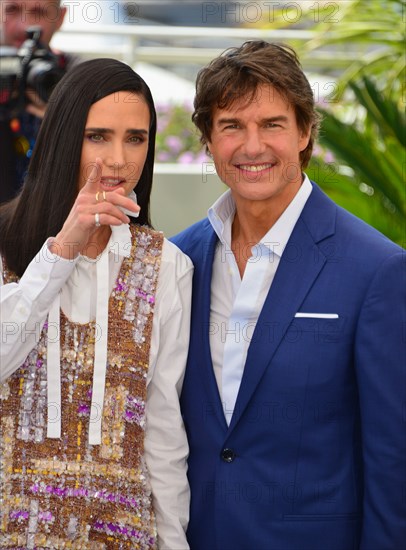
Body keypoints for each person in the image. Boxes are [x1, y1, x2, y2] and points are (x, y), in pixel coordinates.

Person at [171, 40, 406, 549]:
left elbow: (393, 459)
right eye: (232, 126)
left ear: (304, 132)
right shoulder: (177, 261)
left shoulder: (377, 270)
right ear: (208, 141)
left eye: (272, 124)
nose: (252, 147)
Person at [0, 58, 192, 549]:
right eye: (97, 136)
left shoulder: (167, 266)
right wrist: (61, 250)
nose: (118, 160)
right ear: (66, 138)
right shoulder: (6, 243)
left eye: (136, 138)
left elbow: (163, 432)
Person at [0, 0, 79, 202]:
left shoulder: (81, 77)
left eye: (39, 12)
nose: (25, 26)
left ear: (60, 17)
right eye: (12, 9)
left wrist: (64, 117)